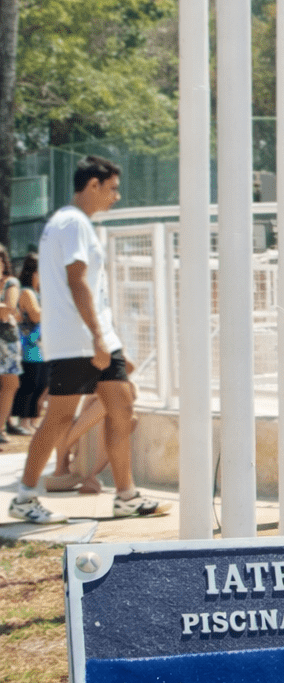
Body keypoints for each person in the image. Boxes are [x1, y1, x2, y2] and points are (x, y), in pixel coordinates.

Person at [11, 155, 164, 523]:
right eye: (112, 188)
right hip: (78, 341)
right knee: (60, 418)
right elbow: (77, 282)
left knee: (123, 407)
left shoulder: (69, 223)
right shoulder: (73, 223)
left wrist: (114, 345)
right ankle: (25, 497)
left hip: (94, 340)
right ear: (92, 185)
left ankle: (126, 496)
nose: (117, 196)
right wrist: (98, 337)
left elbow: (91, 288)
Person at [14, 253, 45, 433]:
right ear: (34, 273)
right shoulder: (27, 292)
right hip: (29, 347)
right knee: (30, 384)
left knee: (41, 384)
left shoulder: (39, 293)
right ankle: (23, 421)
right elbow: (36, 315)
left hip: (41, 347)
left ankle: (32, 420)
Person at [0, 245, 22, 445]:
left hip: (7, 341)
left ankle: (1, 428)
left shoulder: (11, 282)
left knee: (10, 384)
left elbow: (8, 310)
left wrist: (5, 309)